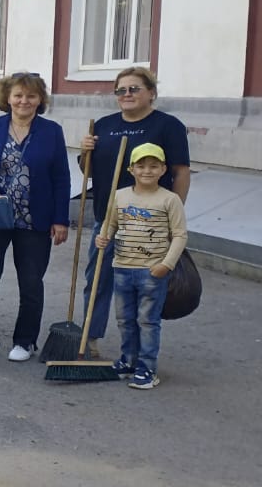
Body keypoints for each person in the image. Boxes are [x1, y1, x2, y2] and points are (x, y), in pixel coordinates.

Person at [0, 73, 70, 362]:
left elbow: (61, 177)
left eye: (31, 96)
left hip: (35, 219)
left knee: (31, 281)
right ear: (7, 98)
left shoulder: (51, 131)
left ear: (40, 100)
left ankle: (25, 340)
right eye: (18, 95)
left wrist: (61, 219)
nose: (24, 101)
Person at [79, 67, 190, 358]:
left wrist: (173, 215)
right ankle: (88, 339)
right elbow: (89, 171)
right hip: (108, 220)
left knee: (145, 289)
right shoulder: (103, 125)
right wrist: (85, 152)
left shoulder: (168, 126)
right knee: (98, 281)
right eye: (121, 90)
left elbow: (180, 171)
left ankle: (141, 353)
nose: (126, 95)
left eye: (134, 89)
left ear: (151, 93)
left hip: (149, 224)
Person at [95, 143, 187, 390]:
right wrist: (103, 237)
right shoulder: (120, 195)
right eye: (141, 166)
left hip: (152, 271)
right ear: (131, 169)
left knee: (147, 321)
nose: (147, 171)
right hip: (122, 267)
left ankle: (147, 368)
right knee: (125, 318)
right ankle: (128, 360)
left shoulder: (170, 199)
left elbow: (180, 235)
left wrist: (166, 265)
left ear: (163, 169)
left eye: (154, 166)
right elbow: (111, 223)